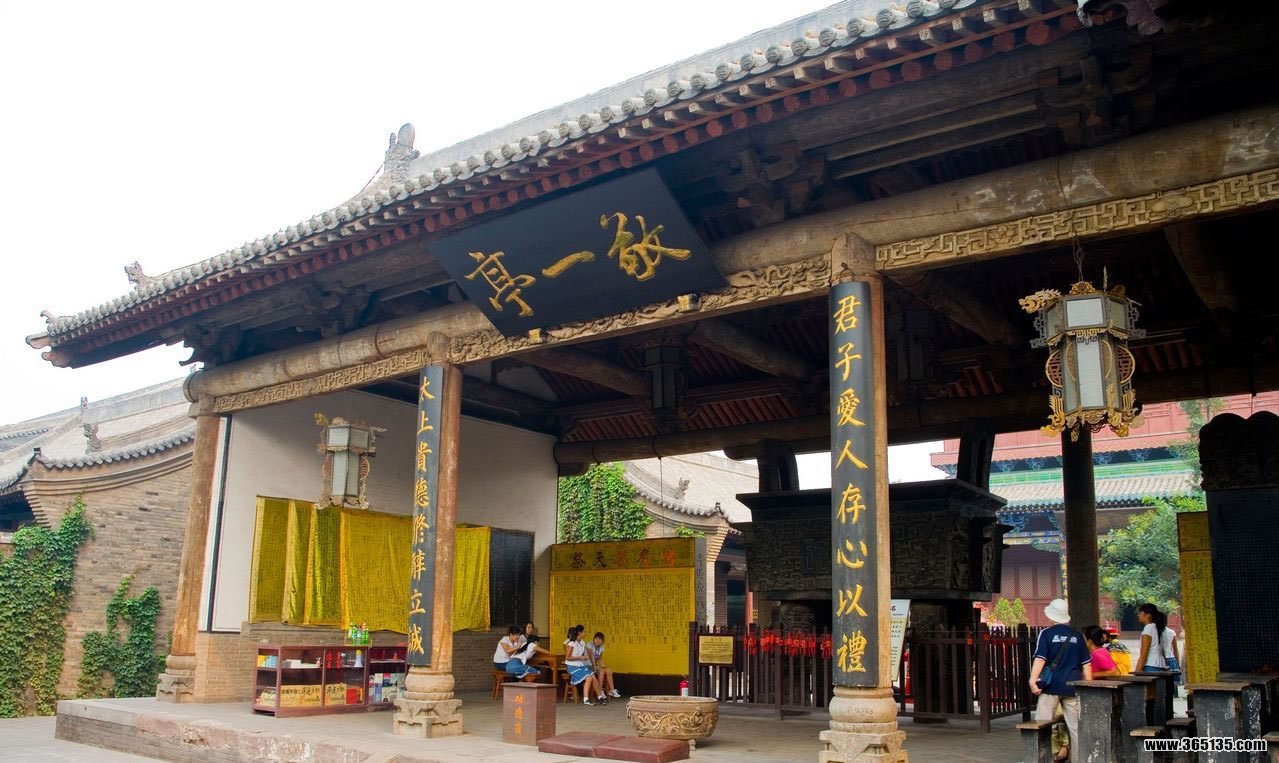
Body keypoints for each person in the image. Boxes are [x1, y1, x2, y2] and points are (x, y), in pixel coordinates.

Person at [1029, 598, 1092, 763]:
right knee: (1076, 729)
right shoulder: (1078, 636)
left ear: (1051, 615)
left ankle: (1042, 759)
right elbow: (1086, 665)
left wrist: (1033, 680)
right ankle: (1080, 760)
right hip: (1073, 687)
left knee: (1042, 726)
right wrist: (1089, 687)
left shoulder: (1046, 634)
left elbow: (1040, 659)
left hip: (1051, 687)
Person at [564, 625, 606, 705]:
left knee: (592, 676)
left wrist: (585, 658)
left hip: (580, 665)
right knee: (589, 677)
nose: (585, 633)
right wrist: (580, 657)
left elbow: (584, 655)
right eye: (584, 631)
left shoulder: (583, 643)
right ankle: (586, 699)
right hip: (572, 667)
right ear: (580, 633)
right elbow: (567, 657)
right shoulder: (572, 643)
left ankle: (600, 697)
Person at [1135, 603, 1180, 678]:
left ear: (1148, 615)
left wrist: (1137, 673)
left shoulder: (1148, 629)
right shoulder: (1158, 627)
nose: (1138, 615)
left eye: (1140, 613)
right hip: (1161, 666)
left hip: (1150, 666)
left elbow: (1143, 655)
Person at [589, 632, 621, 698]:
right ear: (593, 639)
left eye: (600, 639)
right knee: (601, 671)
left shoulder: (601, 646)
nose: (598, 640)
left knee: (608, 670)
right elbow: (591, 658)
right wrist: (598, 667)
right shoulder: (590, 645)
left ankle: (612, 690)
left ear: (603, 641)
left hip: (595, 665)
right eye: (596, 638)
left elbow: (600, 658)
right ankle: (600, 690)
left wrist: (603, 665)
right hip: (588, 665)